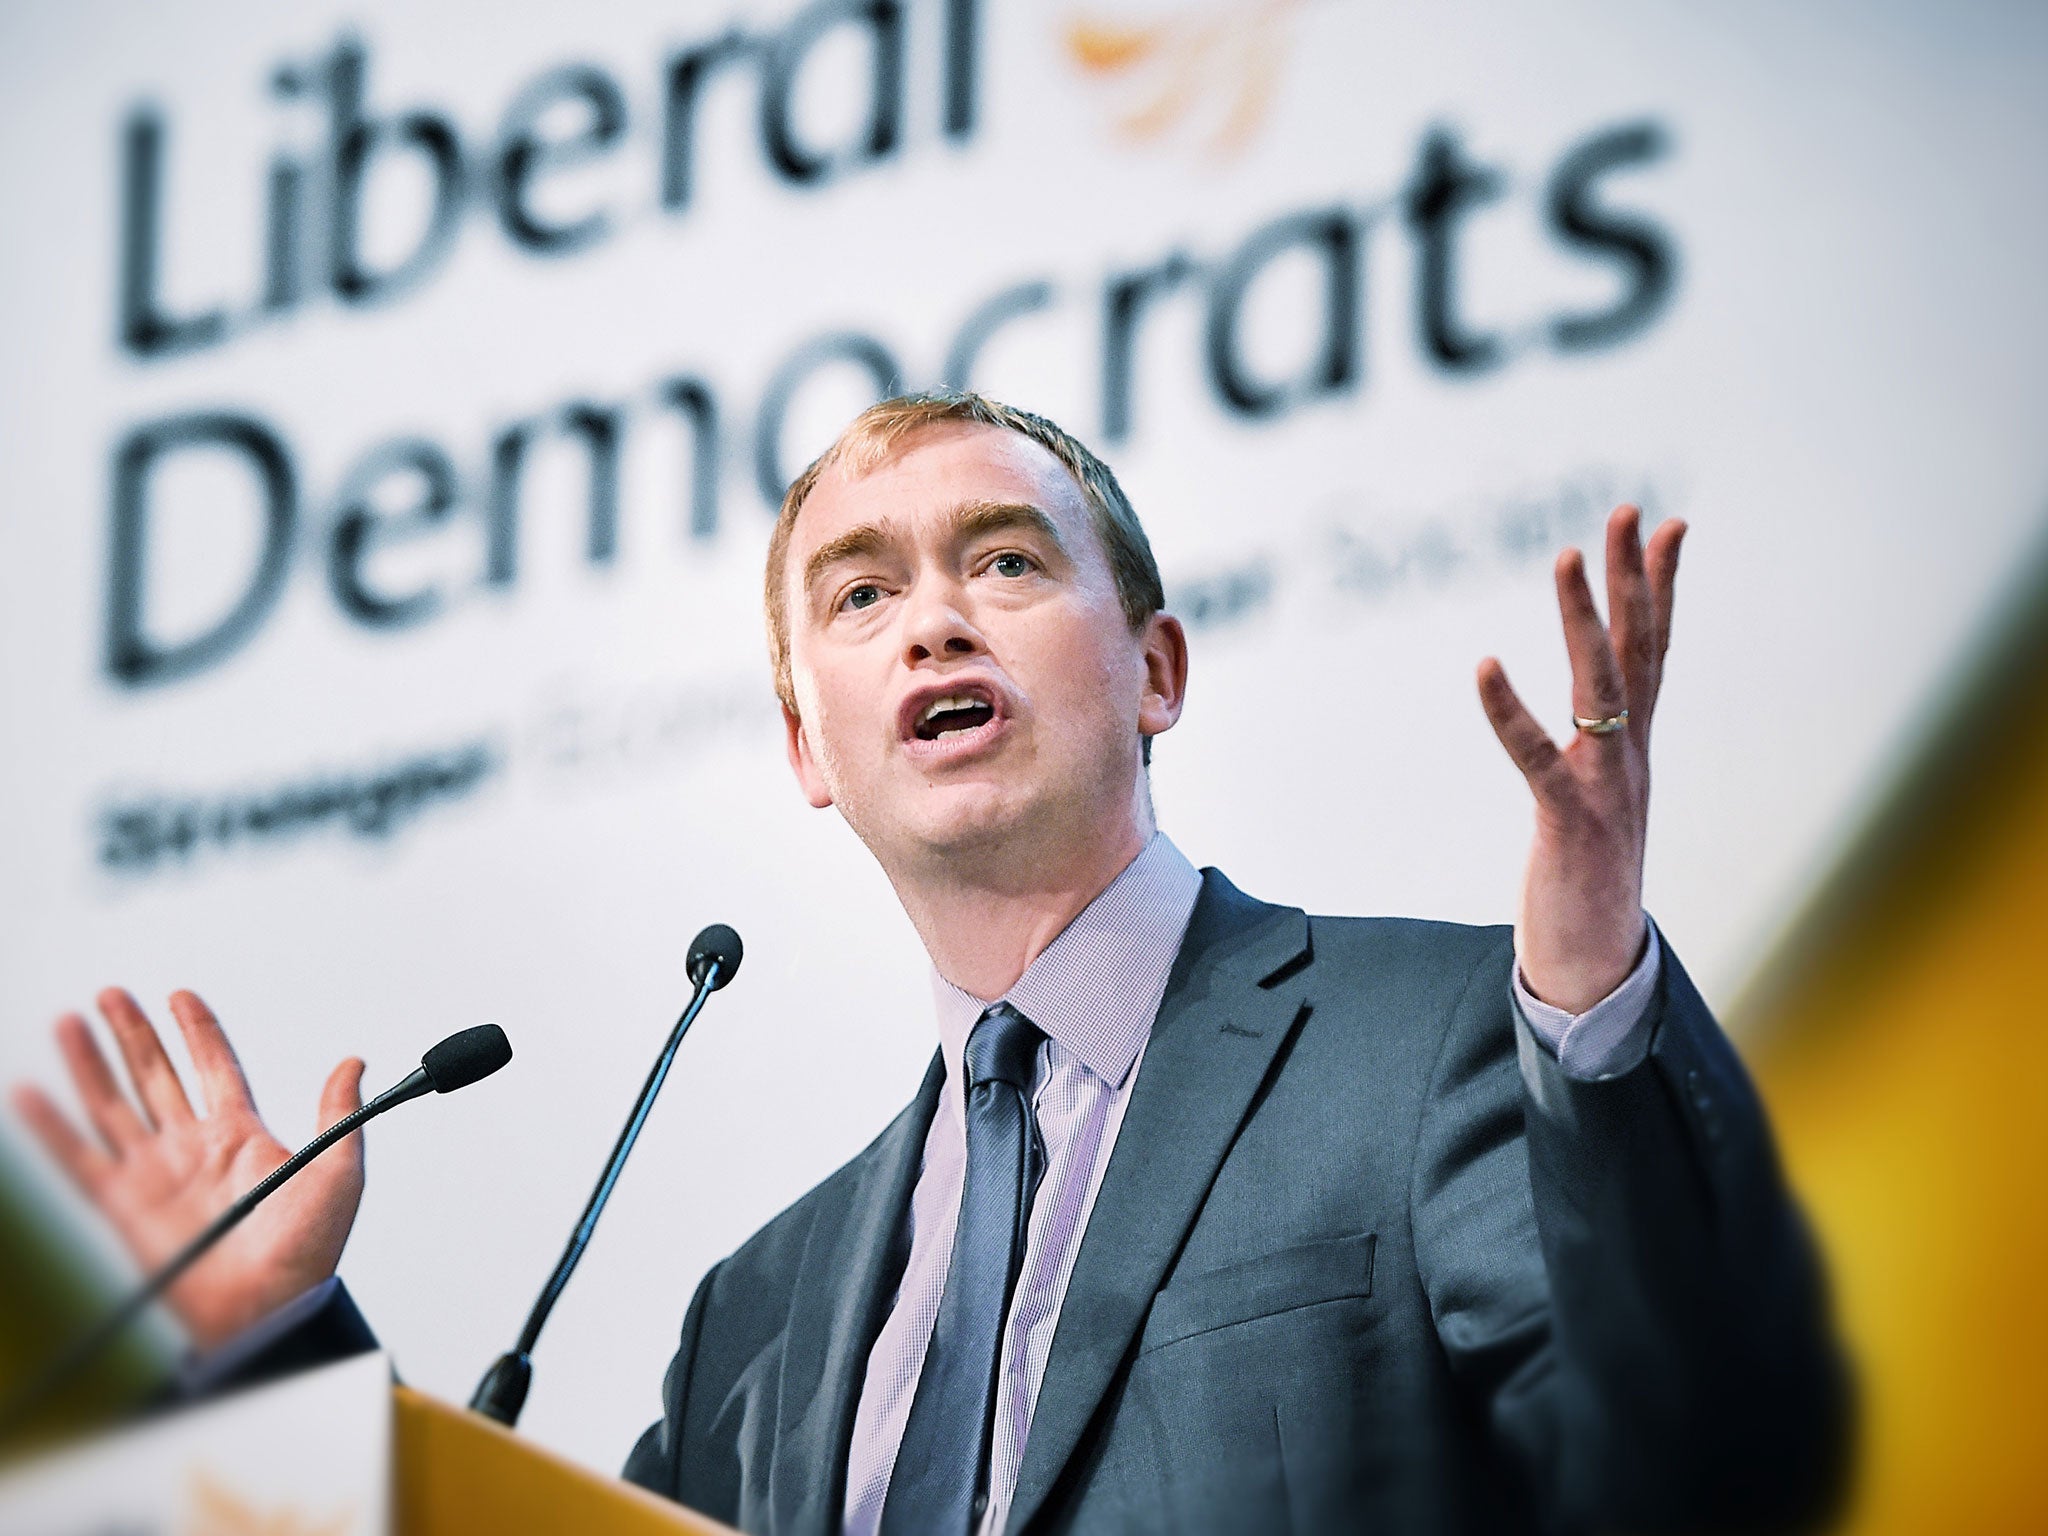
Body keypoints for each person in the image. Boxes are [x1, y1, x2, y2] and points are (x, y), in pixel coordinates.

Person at [12, 393, 1847, 1533]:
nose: (936, 615)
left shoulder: (1445, 1039)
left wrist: (1596, 1022)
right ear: (812, 749)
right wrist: (280, 1352)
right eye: (861, 592)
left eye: (1005, 560)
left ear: (1156, 672)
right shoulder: (761, 1309)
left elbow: (1698, 1460)